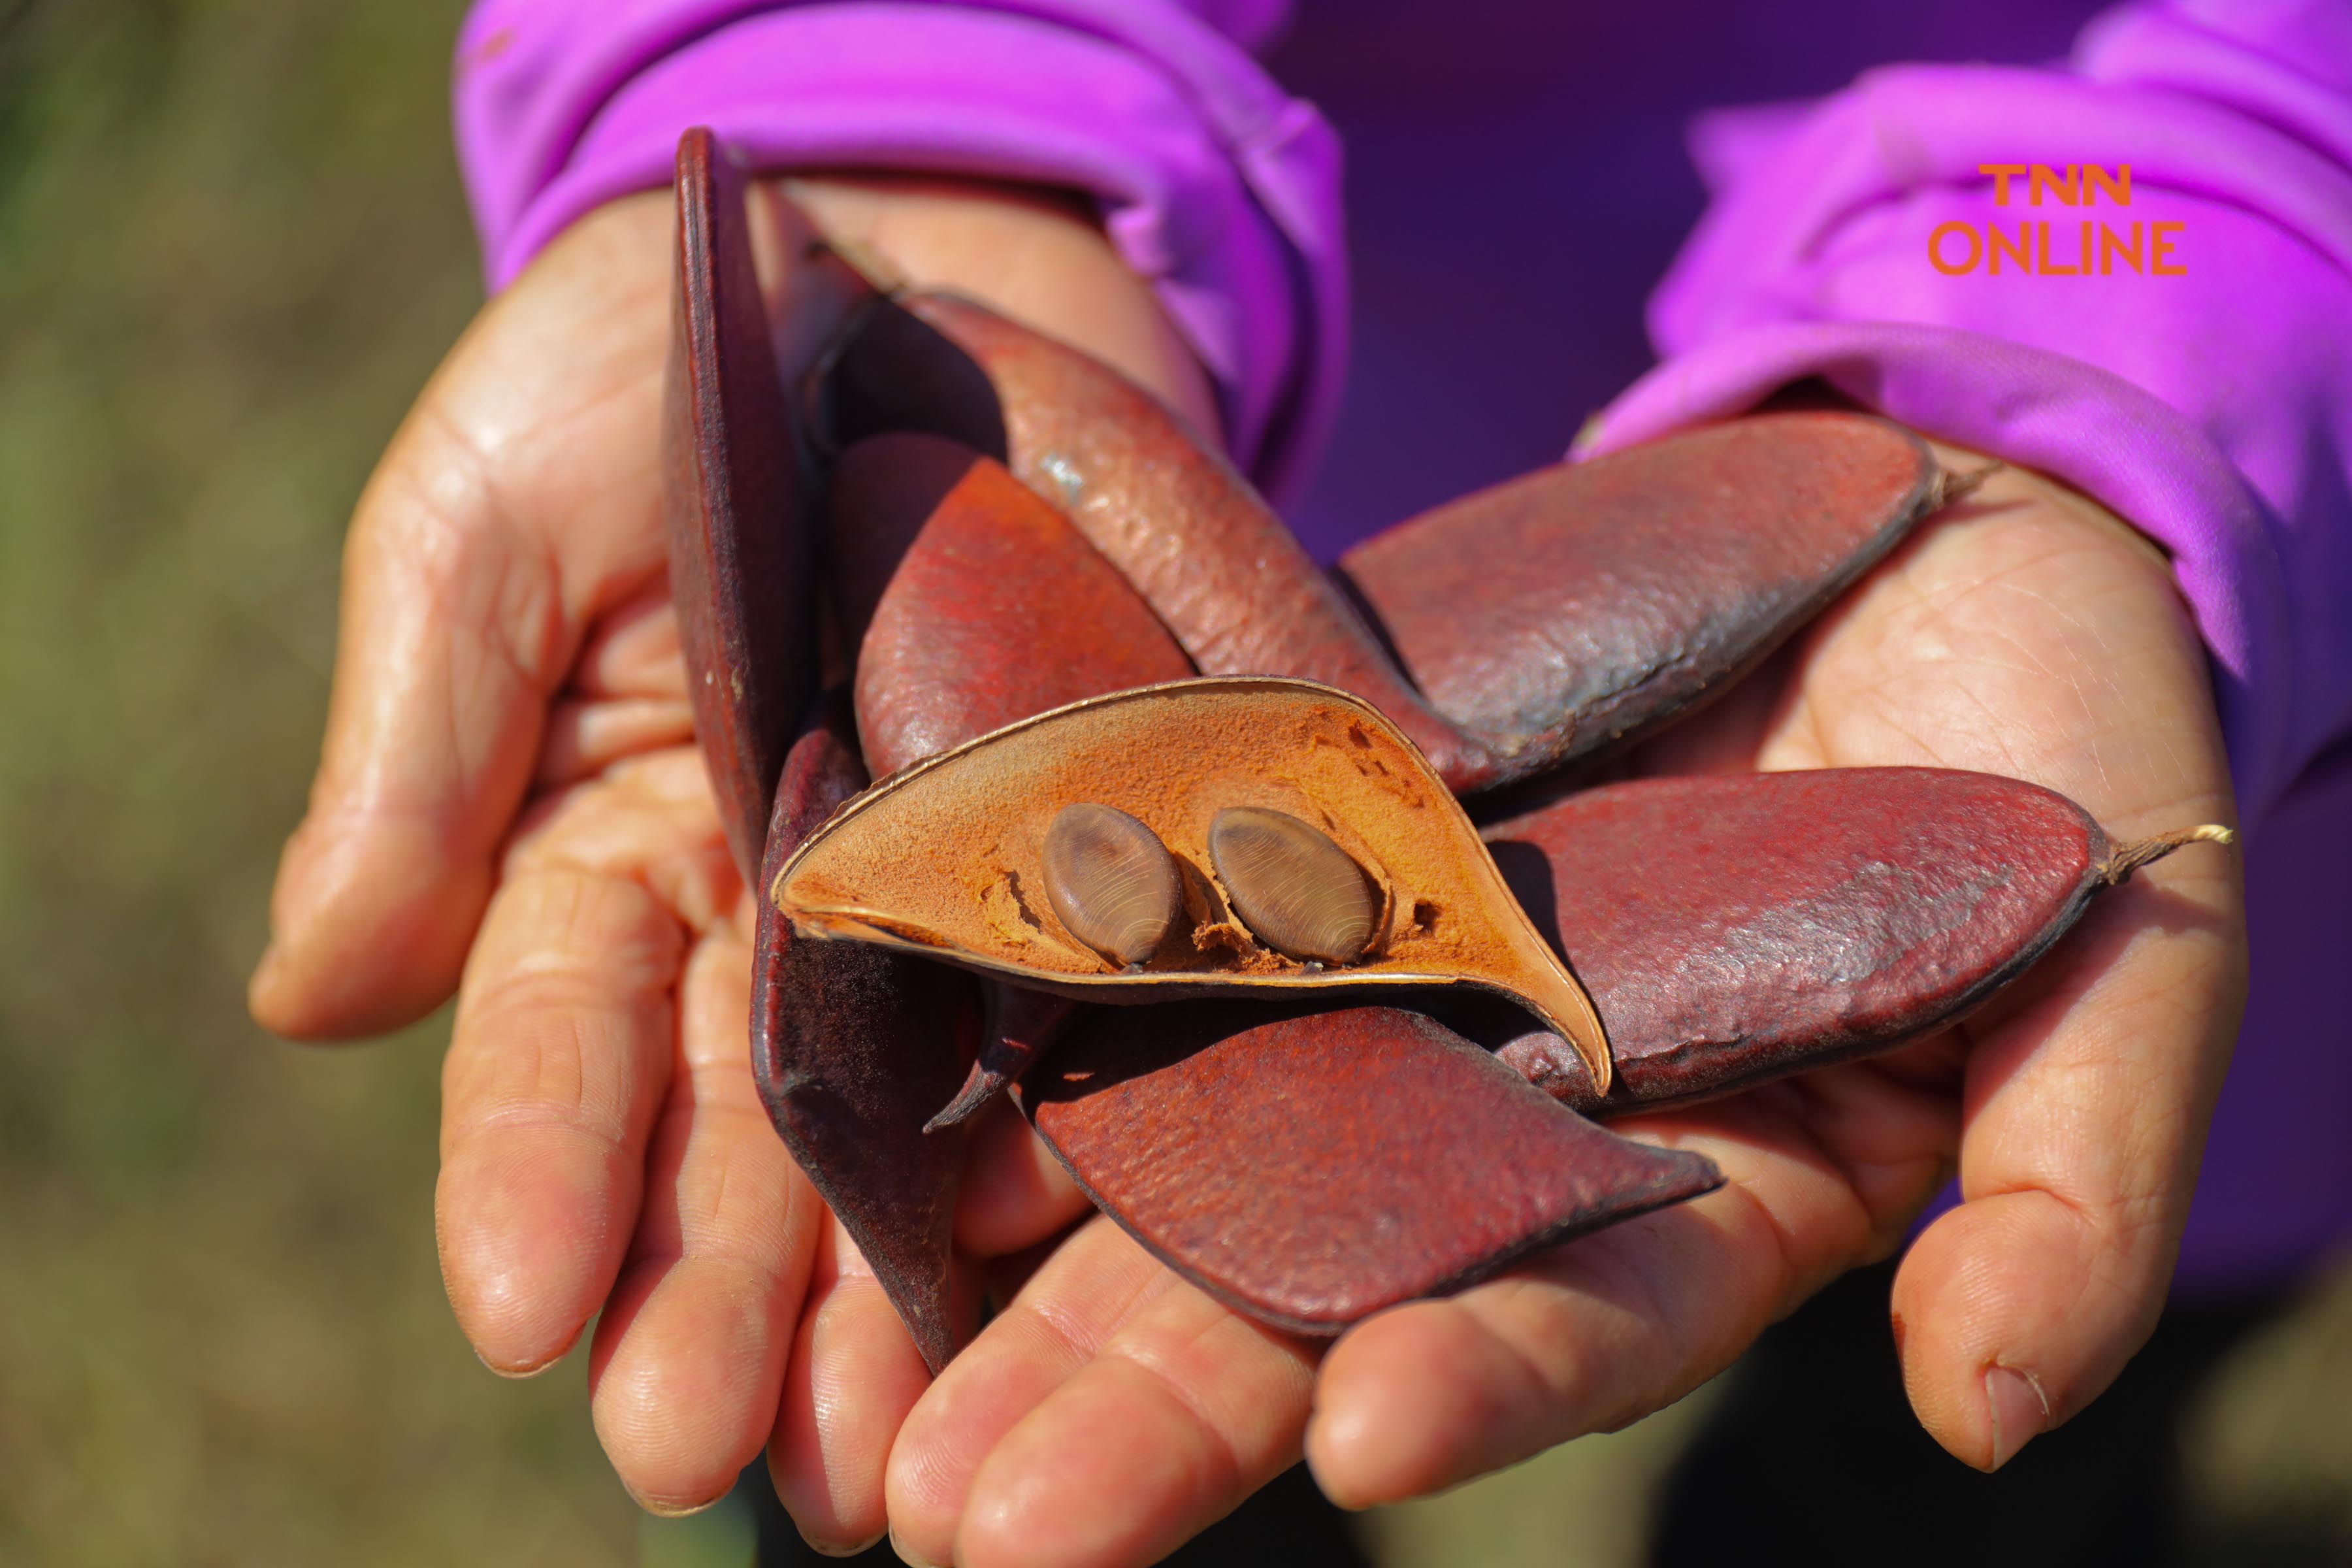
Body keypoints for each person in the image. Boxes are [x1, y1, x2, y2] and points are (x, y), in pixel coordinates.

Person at [249, 1, 2349, 1563]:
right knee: (1018, 1472)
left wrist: (2161, 302)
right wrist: (892, 74)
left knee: (1947, 1485)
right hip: (1254, 507)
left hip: (2151, 620)